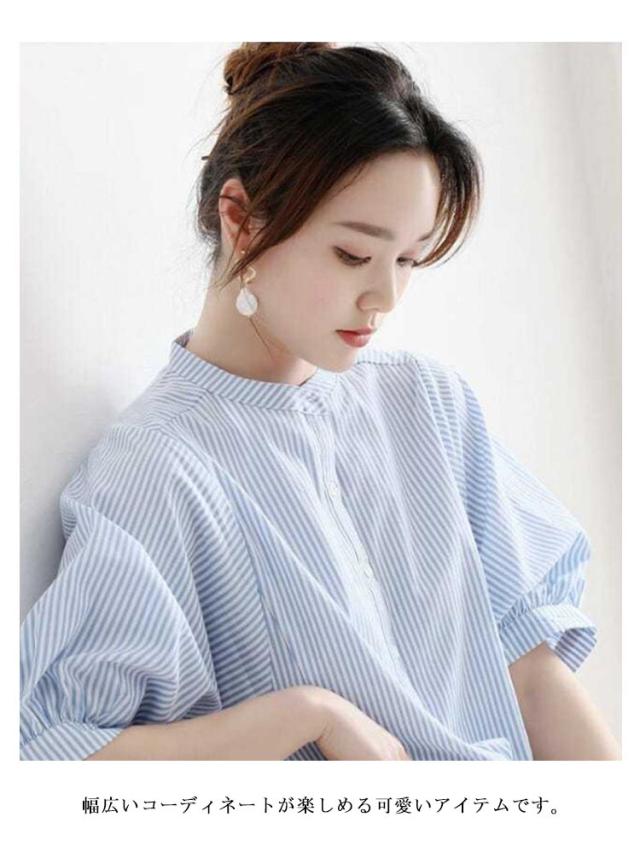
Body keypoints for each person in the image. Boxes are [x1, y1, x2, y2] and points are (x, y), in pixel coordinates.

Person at [20, 42, 620, 761]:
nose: (384, 296)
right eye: (352, 255)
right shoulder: (158, 471)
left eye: (407, 259)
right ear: (242, 219)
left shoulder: (429, 405)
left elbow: (533, 679)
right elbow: (51, 755)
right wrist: (306, 716)